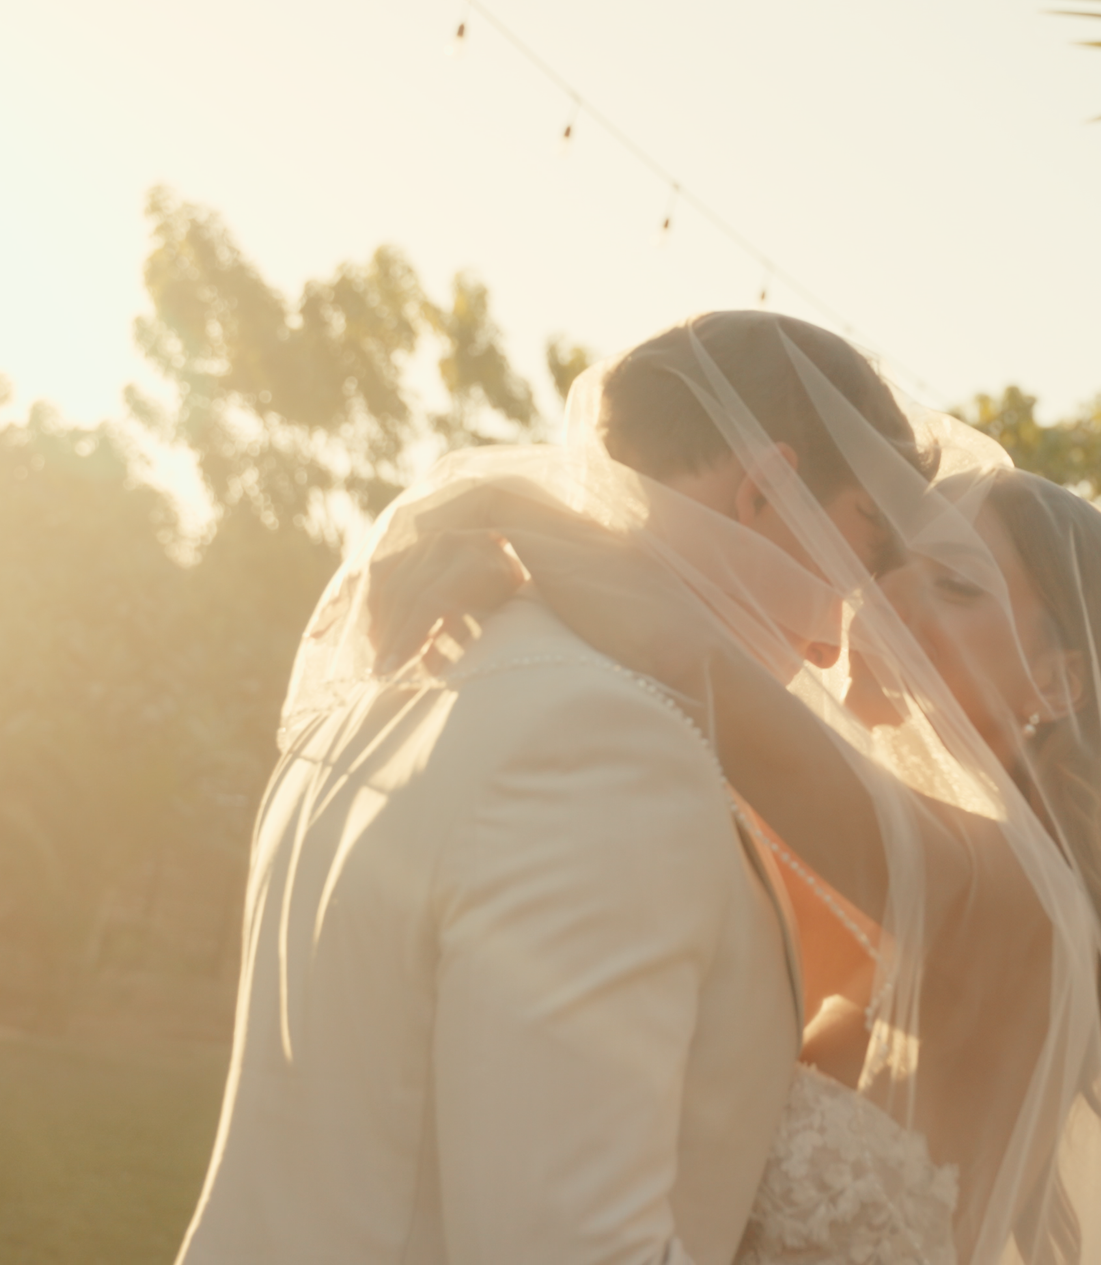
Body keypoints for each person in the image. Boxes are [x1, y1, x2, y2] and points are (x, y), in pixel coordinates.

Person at [176, 311, 934, 1265]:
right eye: (855, 558)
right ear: (767, 488)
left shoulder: (395, 687)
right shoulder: (612, 750)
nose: (836, 640)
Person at [375, 436, 1101, 1264]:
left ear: (1057, 682)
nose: (882, 595)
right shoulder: (900, 891)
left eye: (955, 583)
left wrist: (495, 500)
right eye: (891, 562)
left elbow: (685, 658)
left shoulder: (1020, 896)